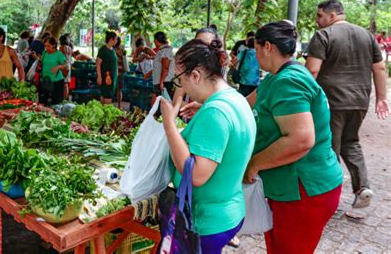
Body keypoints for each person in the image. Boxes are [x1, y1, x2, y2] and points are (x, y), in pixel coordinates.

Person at [243, 21, 343, 253]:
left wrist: (254, 165)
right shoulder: (276, 77)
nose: (256, 55)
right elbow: (245, 105)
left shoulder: (289, 81)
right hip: (287, 188)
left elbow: (300, 139)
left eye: (256, 49)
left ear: (267, 47)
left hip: (304, 189)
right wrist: (210, 105)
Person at [160, 39, 256, 254]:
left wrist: (169, 126)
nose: (180, 87)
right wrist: (204, 111)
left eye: (179, 79)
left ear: (195, 76)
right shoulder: (234, 98)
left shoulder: (215, 113)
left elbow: (196, 176)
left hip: (208, 220)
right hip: (228, 209)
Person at [305, 0, 389, 208]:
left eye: (320, 16)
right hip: (359, 100)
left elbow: (312, 70)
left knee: (328, 146)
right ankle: (362, 187)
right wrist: (381, 97)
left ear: (332, 16)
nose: (317, 21)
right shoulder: (367, 36)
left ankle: (326, 197)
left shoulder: (323, 35)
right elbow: (379, 69)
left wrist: (302, 98)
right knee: (350, 141)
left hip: (331, 101)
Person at [144, 31, 175, 99]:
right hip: (160, 81)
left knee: (163, 103)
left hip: (165, 81)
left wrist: (161, 82)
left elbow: (165, 67)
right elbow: (159, 66)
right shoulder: (162, 50)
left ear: (155, 40)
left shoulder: (165, 51)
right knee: (156, 101)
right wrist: (149, 73)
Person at [38, 36, 67, 106]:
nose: (46, 48)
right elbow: (41, 63)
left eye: (48, 46)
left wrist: (58, 67)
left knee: (56, 103)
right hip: (45, 80)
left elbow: (65, 65)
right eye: (45, 46)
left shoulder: (58, 54)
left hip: (57, 81)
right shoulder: (44, 53)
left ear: (54, 45)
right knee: (43, 101)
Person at [96, 31, 118, 104]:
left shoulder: (113, 50)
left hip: (113, 78)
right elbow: (98, 64)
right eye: (116, 39)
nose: (116, 41)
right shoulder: (103, 50)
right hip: (106, 77)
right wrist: (99, 77)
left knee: (107, 95)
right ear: (111, 39)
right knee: (107, 95)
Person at [114, 36, 128, 108]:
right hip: (117, 71)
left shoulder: (120, 48)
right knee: (118, 89)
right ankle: (118, 105)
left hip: (118, 71)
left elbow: (124, 56)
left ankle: (119, 105)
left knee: (118, 89)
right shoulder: (116, 48)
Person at [59, 34, 73, 100]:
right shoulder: (70, 48)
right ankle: (65, 99)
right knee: (66, 84)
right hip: (68, 66)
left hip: (63, 66)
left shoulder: (61, 47)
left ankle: (62, 98)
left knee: (62, 83)